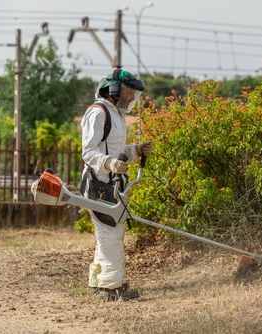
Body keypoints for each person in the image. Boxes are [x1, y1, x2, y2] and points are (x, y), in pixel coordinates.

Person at [80, 69, 152, 301]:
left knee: (106, 233)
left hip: (111, 184)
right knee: (111, 233)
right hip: (97, 183)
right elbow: (89, 152)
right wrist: (109, 162)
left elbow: (116, 151)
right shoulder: (98, 113)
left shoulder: (116, 115)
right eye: (129, 92)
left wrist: (135, 150)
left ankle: (99, 282)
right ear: (114, 90)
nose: (132, 97)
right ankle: (111, 289)